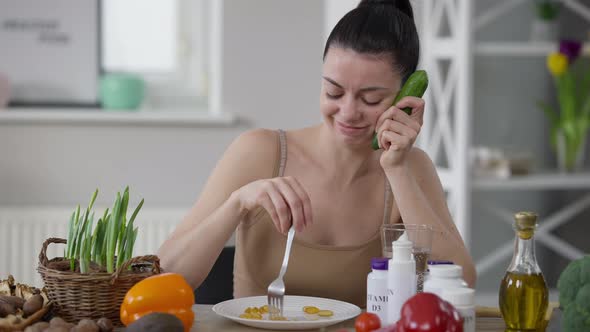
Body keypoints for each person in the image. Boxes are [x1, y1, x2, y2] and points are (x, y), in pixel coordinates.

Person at [158, 0, 476, 307]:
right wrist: (238, 201)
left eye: (371, 99)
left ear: (406, 96)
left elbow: (462, 282)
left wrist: (396, 168)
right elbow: (164, 275)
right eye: (333, 91)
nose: (348, 112)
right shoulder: (260, 151)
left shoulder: (410, 168)